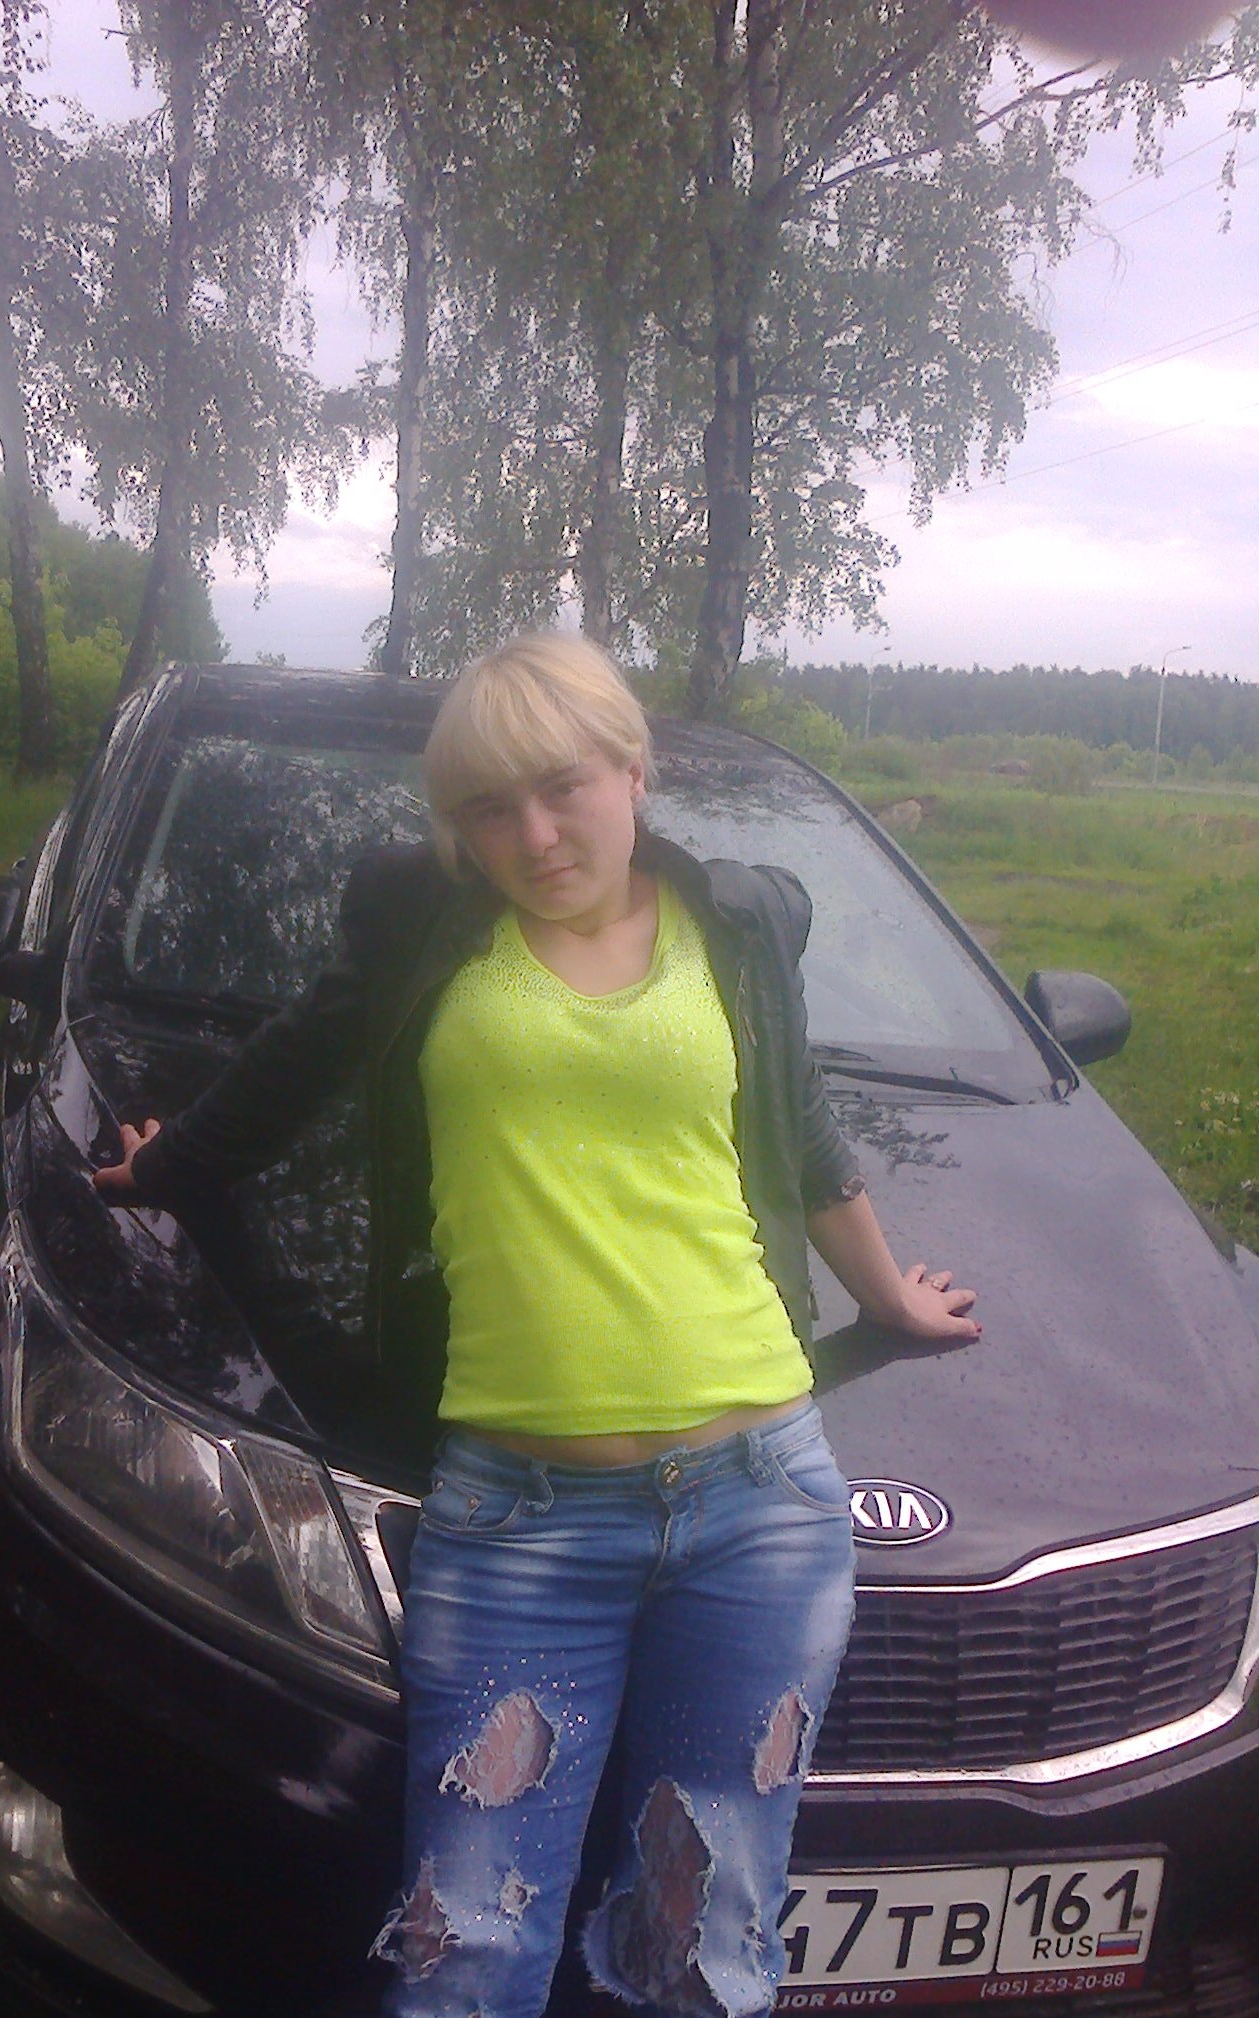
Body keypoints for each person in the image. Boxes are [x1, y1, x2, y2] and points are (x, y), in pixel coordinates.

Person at [95, 633, 979, 2018]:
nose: (537, 835)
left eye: (563, 788)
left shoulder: (737, 926)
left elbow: (800, 1124)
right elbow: (296, 1059)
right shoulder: (427, 930)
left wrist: (886, 1294)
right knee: (466, 1945)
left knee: (704, 1942)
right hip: (519, 1526)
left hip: (761, 1503)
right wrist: (170, 1164)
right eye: (490, 809)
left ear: (634, 771)